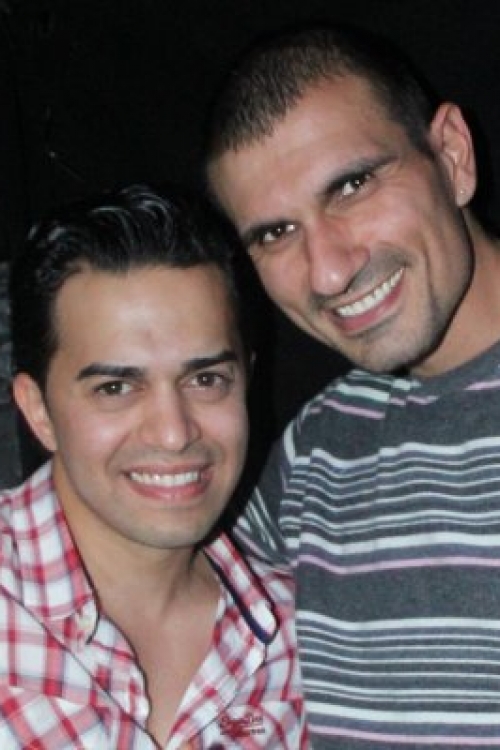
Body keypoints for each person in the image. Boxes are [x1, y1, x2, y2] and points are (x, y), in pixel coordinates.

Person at [205, 22, 500, 749]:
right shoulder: (318, 446)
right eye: (275, 234)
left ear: (452, 155)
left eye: (351, 185)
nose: (329, 271)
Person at [0, 184, 308, 749]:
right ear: (38, 410)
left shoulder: (301, 636)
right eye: (116, 388)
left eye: (205, 379)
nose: (173, 432)